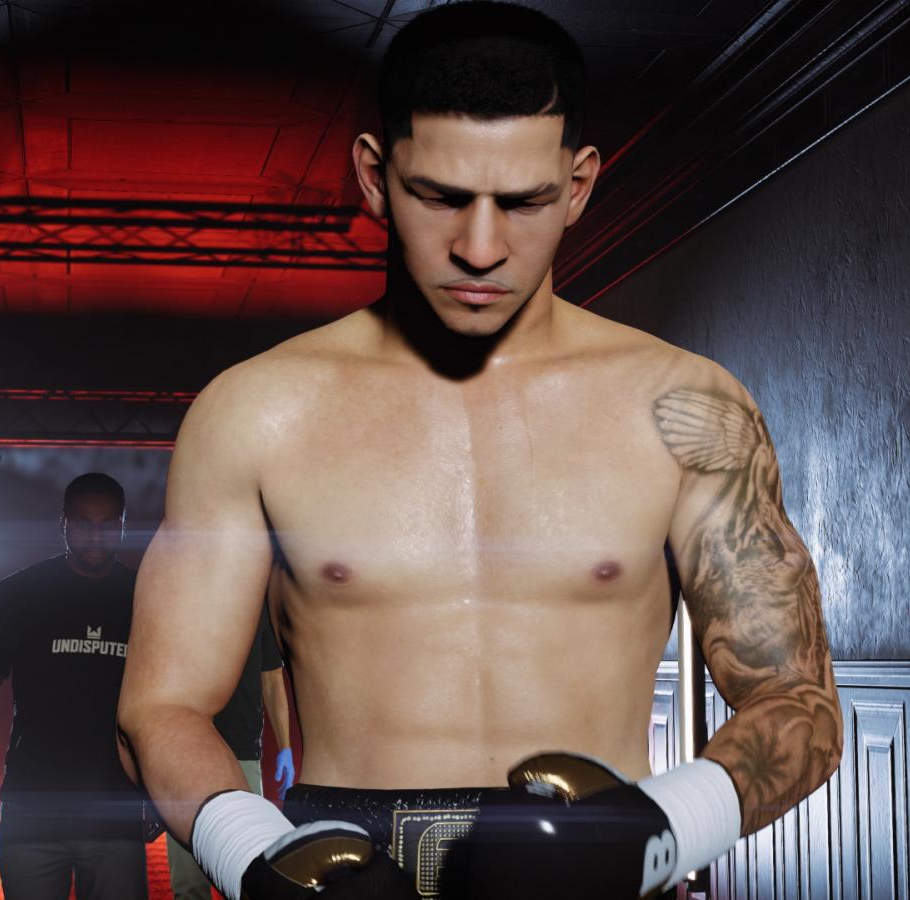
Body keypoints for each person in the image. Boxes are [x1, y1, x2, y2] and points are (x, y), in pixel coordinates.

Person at [118, 4, 844, 898]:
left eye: (524, 202)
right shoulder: (257, 411)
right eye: (442, 197)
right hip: (346, 875)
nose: (481, 248)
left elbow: (801, 706)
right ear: (375, 177)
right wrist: (255, 857)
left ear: (578, 186)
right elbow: (160, 707)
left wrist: (654, 833)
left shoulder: (682, 407)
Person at [0, 473, 148, 899]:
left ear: (123, 526)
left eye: (107, 524)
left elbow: (164, 707)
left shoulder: (145, 596)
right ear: (63, 524)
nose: (95, 534)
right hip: (32, 808)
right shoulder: (19, 593)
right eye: (83, 523)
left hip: (114, 811)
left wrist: (157, 796)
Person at [165, 604, 297, 900]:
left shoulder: (257, 605)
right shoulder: (180, 600)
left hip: (241, 750)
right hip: (183, 751)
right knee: (188, 886)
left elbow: (272, 680)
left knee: (251, 876)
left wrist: (285, 748)